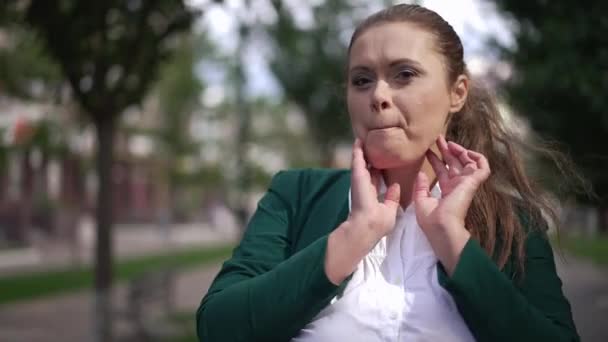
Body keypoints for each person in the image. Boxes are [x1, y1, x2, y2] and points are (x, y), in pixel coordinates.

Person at [196, 4, 580, 341]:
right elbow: (219, 327)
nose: (378, 95)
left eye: (404, 75)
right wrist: (354, 234)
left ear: (457, 93)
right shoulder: (295, 194)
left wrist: (452, 240)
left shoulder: (514, 222)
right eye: (361, 80)